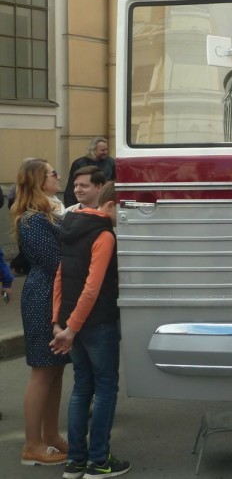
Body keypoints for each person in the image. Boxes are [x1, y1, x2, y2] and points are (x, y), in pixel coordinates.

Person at [50, 183, 130, 478]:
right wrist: (70, 329)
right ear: (110, 205)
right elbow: (93, 288)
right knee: (106, 388)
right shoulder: (104, 234)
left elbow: (60, 277)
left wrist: (60, 322)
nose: (123, 215)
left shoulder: (70, 228)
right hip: (98, 323)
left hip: (72, 322)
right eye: (121, 208)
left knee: (81, 387)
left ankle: (76, 461)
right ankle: (100, 461)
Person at [11, 159, 69, 466]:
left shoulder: (50, 212)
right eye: (52, 173)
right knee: (43, 371)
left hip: (53, 293)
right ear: (38, 181)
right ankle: (32, 444)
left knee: (55, 369)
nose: (58, 177)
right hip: (43, 295)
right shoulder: (33, 219)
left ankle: (51, 436)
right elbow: (53, 259)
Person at [64, 137, 115, 208]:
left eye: (107, 150)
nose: (105, 152)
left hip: (104, 202)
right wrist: (70, 206)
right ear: (93, 150)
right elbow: (70, 187)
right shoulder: (79, 163)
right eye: (103, 150)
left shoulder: (111, 163)